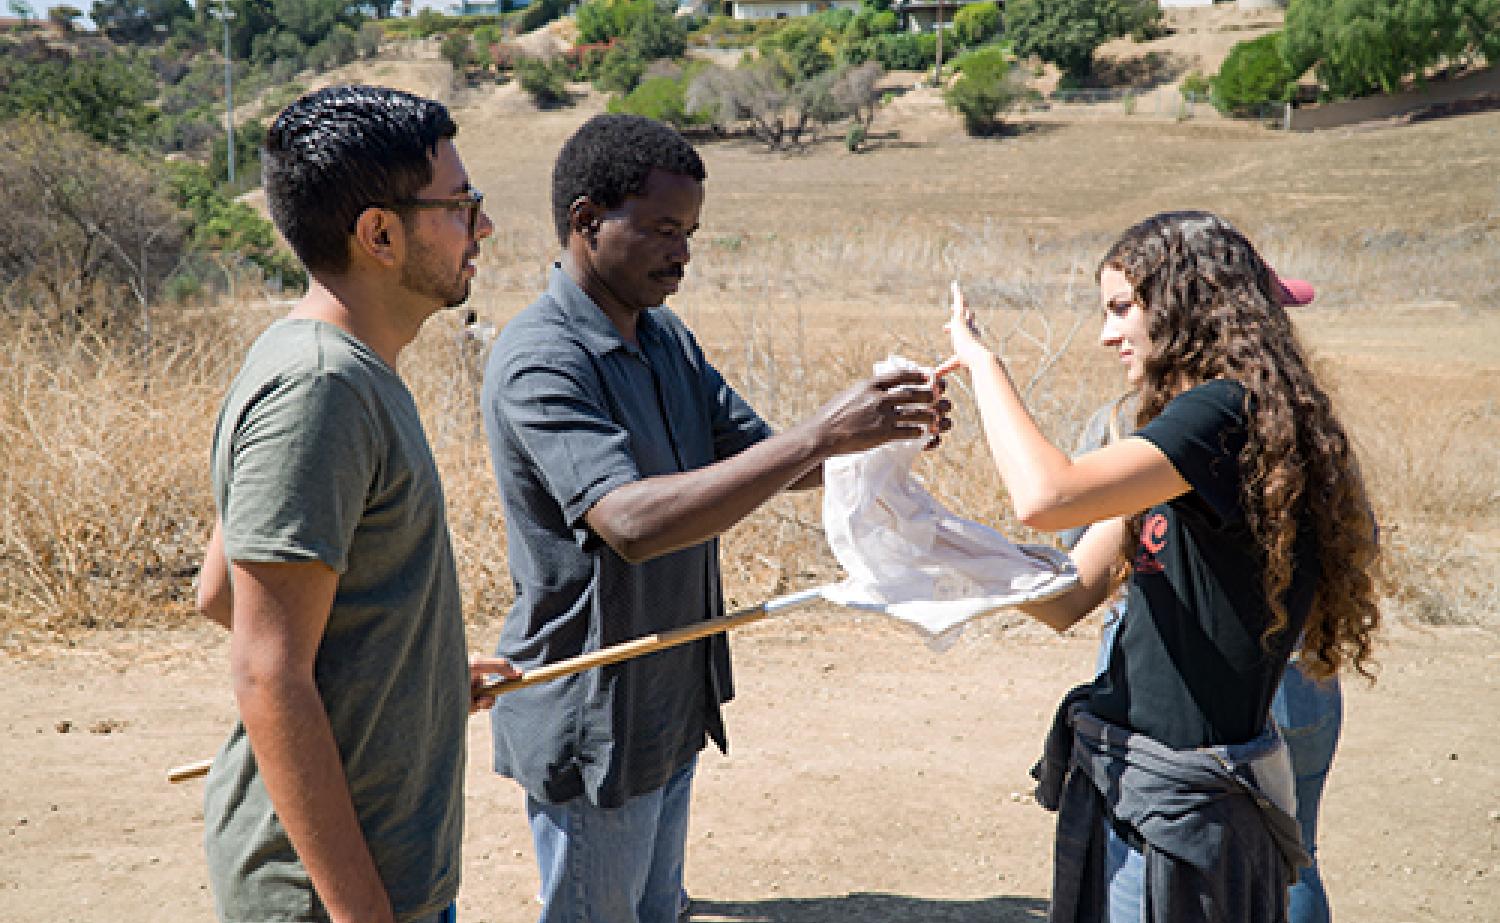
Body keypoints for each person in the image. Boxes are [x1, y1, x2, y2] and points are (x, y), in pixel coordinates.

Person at [480, 113, 950, 923]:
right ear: (587, 221)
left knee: (658, 910)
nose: (684, 252)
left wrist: (877, 435)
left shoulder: (665, 339)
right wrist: (825, 431)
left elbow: (767, 461)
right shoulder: (541, 356)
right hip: (594, 707)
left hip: (666, 694)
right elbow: (629, 522)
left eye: (690, 231)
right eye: (664, 229)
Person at [937, 210, 1380, 923]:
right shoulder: (1183, 439)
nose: (1107, 334)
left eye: (1121, 308)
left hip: (1182, 811)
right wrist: (945, 546)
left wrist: (983, 365)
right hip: (1140, 793)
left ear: (1184, 303)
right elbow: (1069, 595)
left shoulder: (1224, 413)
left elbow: (1047, 495)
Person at [196, 84, 518, 923]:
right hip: (332, 896)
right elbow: (267, 669)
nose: (482, 227)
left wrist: (421, 677)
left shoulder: (332, 362)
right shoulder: (320, 387)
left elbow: (223, 590)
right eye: (461, 204)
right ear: (379, 233)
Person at [1062, 392, 1344, 923]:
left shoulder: (1135, 418)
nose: (1110, 335)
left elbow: (1064, 533)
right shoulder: (1307, 420)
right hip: (1300, 670)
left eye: (1125, 308)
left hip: (1183, 682)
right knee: (1294, 858)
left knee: (1161, 867)